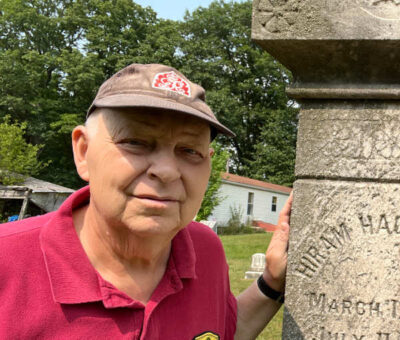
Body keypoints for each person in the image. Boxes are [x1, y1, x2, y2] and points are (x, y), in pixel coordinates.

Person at [0, 63, 290, 339]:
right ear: (83, 151)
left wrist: (273, 281)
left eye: (189, 150)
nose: (166, 171)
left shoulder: (205, 251)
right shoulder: (7, 262)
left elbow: (219, 332)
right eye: (136, 142)